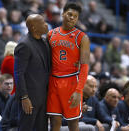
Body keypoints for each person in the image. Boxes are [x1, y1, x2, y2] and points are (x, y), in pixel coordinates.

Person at [46, 2, 90, 131]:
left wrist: (78, 90)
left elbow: (84, 66)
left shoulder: (82, 37)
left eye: (75, 16)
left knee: (73, 123)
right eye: (69, 14)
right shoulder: (51, 34)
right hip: (53, 81)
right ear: (63, 13)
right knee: (54, 121)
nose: (72, 18)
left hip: (71, 82)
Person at [14, 14, 50, 131]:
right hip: (30, 98)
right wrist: (24, 97)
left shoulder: (45, 42)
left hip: (43, 97)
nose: (46, 24)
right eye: (43, 22)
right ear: (34, 27)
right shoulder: (24, 45)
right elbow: (19, 73)